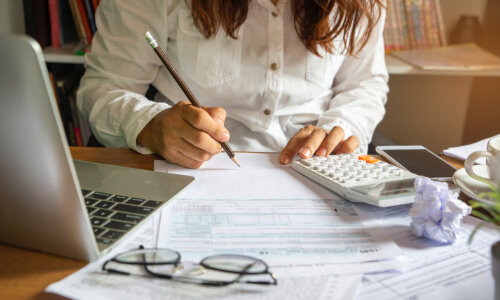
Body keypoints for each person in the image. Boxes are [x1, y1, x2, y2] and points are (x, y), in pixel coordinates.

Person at [77, 0, 388, 169]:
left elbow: (365, 84)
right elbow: (104, 85)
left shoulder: (360, 6)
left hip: (317, 172)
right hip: (185, 170)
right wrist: (150, 126)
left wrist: (339, 129)